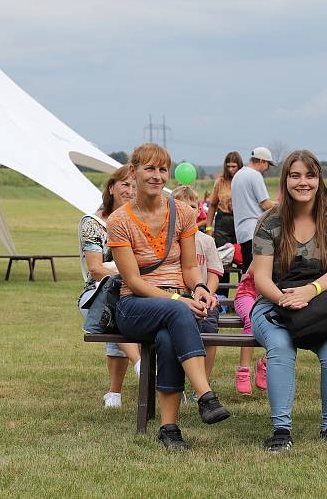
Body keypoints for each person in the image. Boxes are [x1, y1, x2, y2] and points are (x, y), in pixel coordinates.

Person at [108, 143, 230, 450]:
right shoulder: (119, 221)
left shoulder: (185, 214)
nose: (157, 176)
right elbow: (134, 281)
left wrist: (200, 288)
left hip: (177, 303)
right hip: (134, 305)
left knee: (166, 337)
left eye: (163, 169)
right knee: (177, 313)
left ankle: (169, 428)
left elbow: (190, 267)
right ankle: (205, 395)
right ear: (133, 172)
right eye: (149, 168)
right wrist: (177, 300)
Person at [250, 150, 327, 452]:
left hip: (321, 302)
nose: (303, 182)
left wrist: (309, 292)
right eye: (295, 175)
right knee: (280, 348)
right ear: (285, 180)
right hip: (274, 302)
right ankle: (281, 430)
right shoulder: (268, 221)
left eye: (309, 175)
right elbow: (262, 278)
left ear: (319, 179)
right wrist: (286, 299)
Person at [78, 166, 141, 409]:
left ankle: (114, 393)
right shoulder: (93, 223)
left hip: (133, 290)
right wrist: (130, 274)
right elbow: (95, 268)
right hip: (97, 295)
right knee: (118, 312)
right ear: (111, 187)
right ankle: (140, 364)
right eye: (125, 184)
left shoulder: (137, 221)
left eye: (135, 185)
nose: (130, 190)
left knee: (126, 316)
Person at [171, 185, 224, 386]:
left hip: (204, 299)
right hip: (177, 299)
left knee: (209, 332)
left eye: (192, 206)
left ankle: (203, 381)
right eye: (181, 206)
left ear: (198, 209)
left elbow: (214, 274)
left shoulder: (206, 241)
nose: (187, 210)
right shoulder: (170, 241)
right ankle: (177, 382)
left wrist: (207, 294)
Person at [231, 147, 276, 272]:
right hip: (255, 231)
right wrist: (283, 205)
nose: (267, 168)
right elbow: (265, 204)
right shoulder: (255, 175)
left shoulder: (238, 175)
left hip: (242, 232)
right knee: (258, 273)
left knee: (247, 271)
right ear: (261, 161)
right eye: (268, 164)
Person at [233, 265, 267, 395]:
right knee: (251, 318)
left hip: (275, 296)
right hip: (248, 294)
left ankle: (265, 363)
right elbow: (254, 270)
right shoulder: (265, 246)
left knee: (285, 322)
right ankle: (243, 371)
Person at [206, 152, 243, 248]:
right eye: (228, 166)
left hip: (240, 222)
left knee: (242, 258)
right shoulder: (220, 182)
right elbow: (213, 205)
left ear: (239, 166)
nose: (231, 169)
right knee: (224, 257)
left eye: (234, 166)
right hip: (222, 223)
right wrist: (209, 228)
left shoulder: (244, 180)